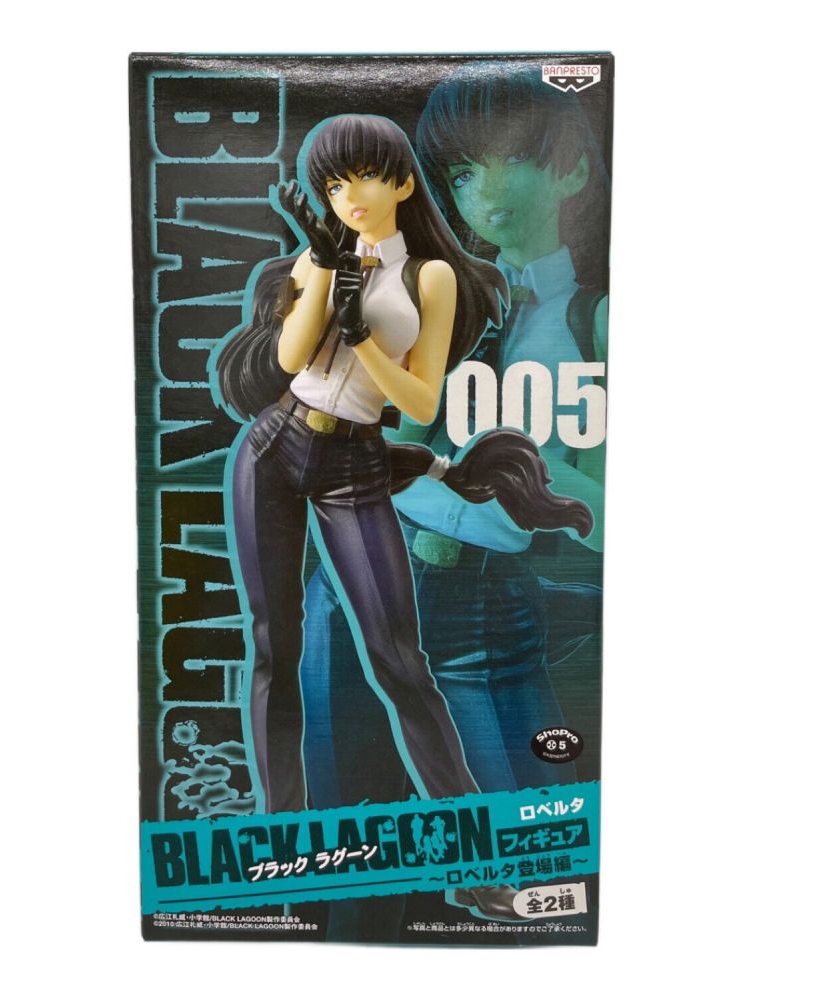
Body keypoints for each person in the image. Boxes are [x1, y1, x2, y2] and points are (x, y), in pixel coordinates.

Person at [214, 114, 591, 921]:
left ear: (403, 183)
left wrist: (364, 338)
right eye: (333, 183)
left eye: (365, 176)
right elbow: (288, 362)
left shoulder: (432, 277)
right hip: (274, 449)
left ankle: (475, 867)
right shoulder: (315, 256)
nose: (349, 196)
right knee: (274, 645)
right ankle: (275, 844)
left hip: (355, 462)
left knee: (400, 662)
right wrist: (323, 267)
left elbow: (418, 401)